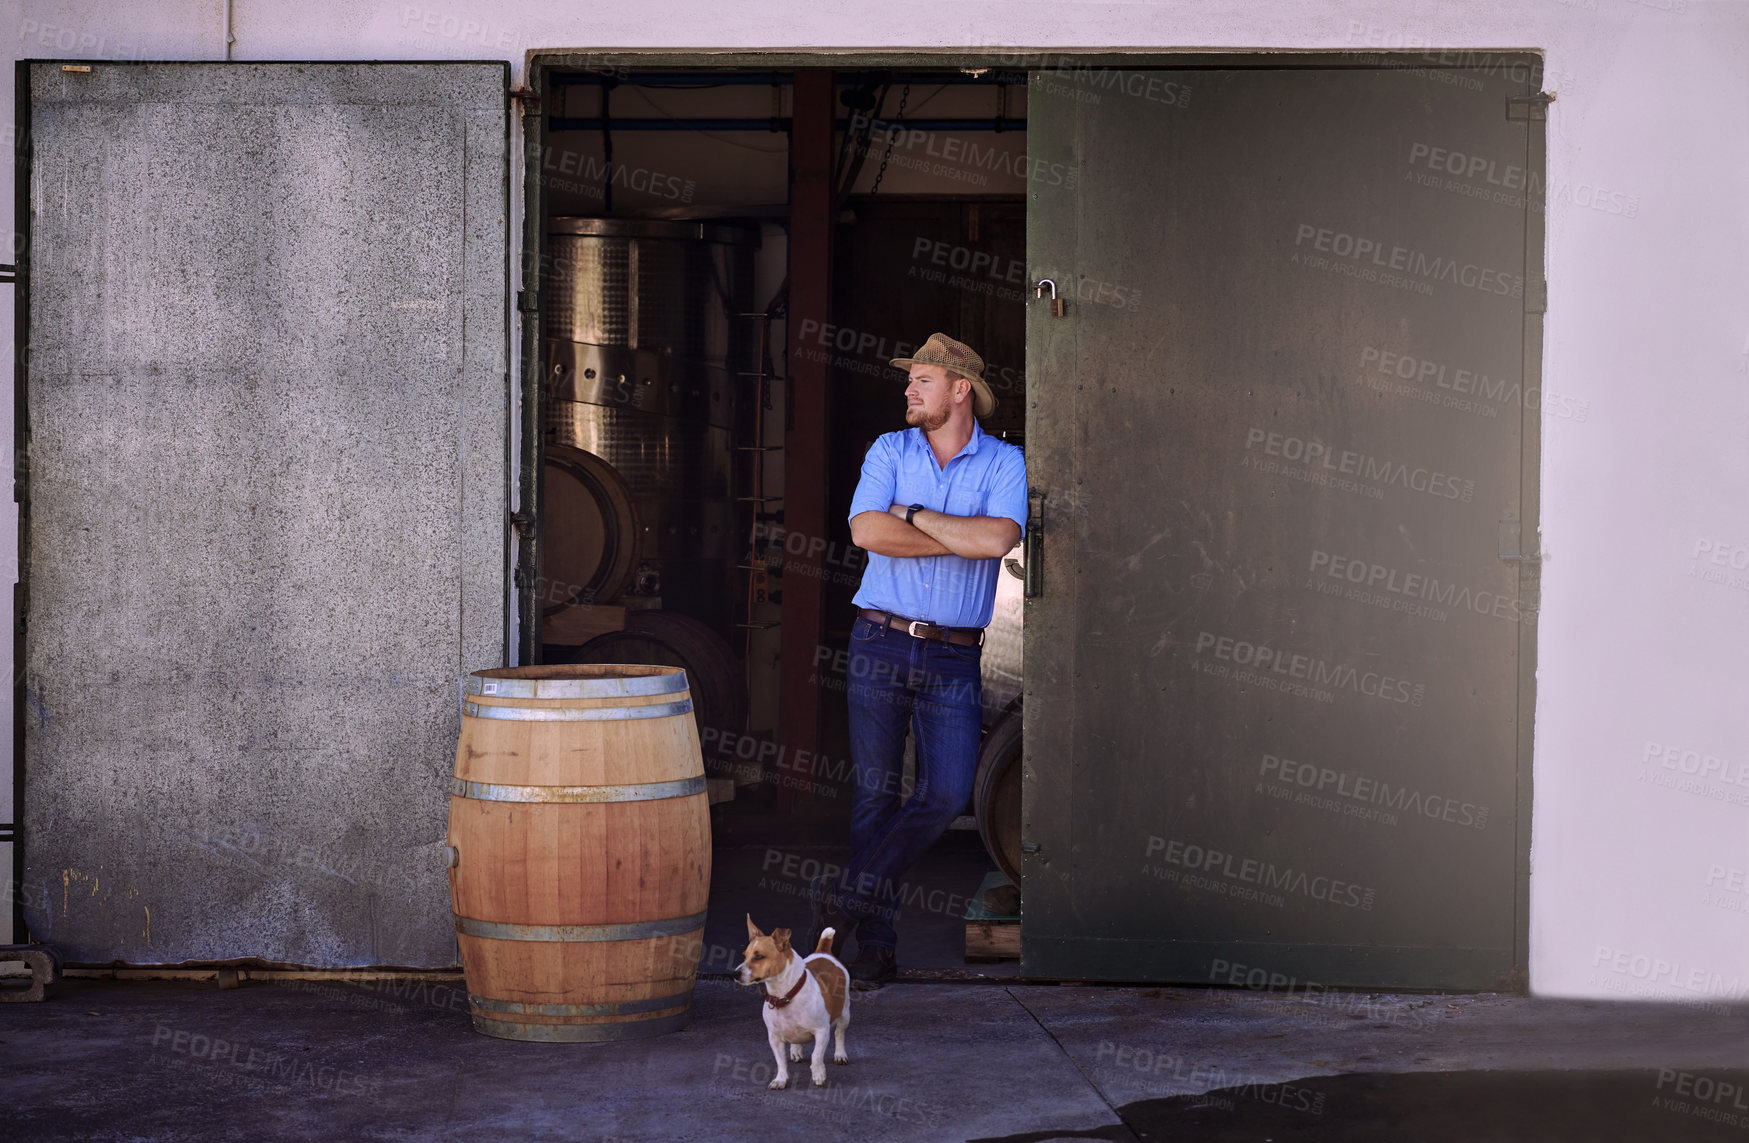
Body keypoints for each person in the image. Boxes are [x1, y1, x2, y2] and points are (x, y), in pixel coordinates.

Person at [807, 331, 1028, 988]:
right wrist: (945, 532)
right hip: (877, 640)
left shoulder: (1003, 462)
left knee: (945, 792)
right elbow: (865, 530)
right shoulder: (888, 450)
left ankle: (848, 896)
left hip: (954, 656)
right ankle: (874, 947)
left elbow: (997, 537)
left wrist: (913, 514)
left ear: (960, 389)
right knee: (874, 797)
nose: (908, 389)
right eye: (910, 381)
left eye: (921, 380)